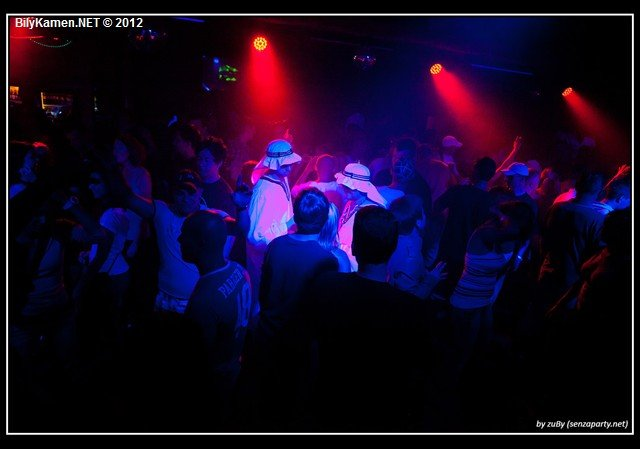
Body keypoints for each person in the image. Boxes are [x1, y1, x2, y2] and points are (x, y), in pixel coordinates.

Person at [304, 206, 432, 431]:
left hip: (329, 404)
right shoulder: (409, 309)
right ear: (393, 249)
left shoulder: (326, 286)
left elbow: (310, 347)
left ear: (354, 247)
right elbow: (414, 375)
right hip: (379, 414)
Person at [179, 210, 251, 424]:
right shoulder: (239, 270)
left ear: (201, 243)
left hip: (213, 384)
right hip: (234, 370)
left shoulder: (204, 300)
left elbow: (196, 357)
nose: (179, 239)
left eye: (185, 234)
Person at [246, 139, 302, 314]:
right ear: (273, 163)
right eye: (285, 164)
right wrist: (290, 223)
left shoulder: (281, 177)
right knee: (260, 304)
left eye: (290, 163)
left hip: (276, 256)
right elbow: (256, 237)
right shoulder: (265, 190)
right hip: (262, 261)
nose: (289, 168)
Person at [388, 195, 446, 299]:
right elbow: (411, 298)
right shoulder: (410, 257)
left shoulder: (407, 233)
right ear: (419, 220)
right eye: (423, 210)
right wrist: (432, 279)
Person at [335, 162, 387, 271]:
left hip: (356, 267)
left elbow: (370, 248)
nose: (344, 188)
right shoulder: (350, 202)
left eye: (349, 186)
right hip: (341, 261)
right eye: (344, 185)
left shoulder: (372, 212)